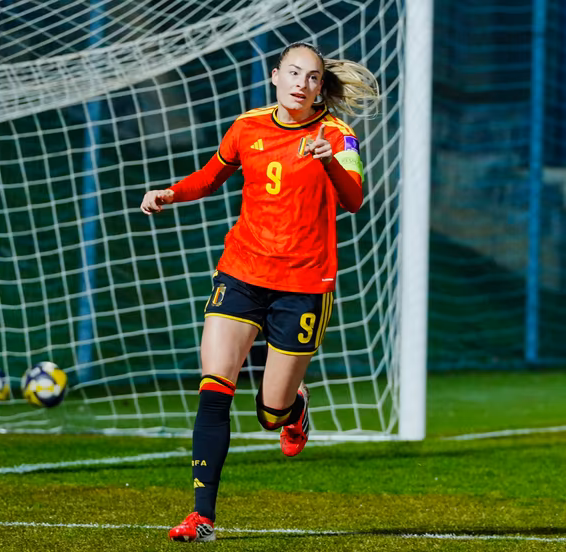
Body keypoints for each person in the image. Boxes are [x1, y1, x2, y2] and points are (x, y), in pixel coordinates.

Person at [140, 42, 379, 543]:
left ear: (320, 87)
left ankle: (294, 412)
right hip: (242, 271)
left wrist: (330, 162)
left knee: (270, 412)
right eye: (293, 73)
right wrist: (169, 192)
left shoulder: (337, 135)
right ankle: (201, 516)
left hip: (303, 284)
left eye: (312, 78)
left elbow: (354, 200)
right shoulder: (248, 126)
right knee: (213, 388)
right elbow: (209, 180)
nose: (301, 84)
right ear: (275, 76)